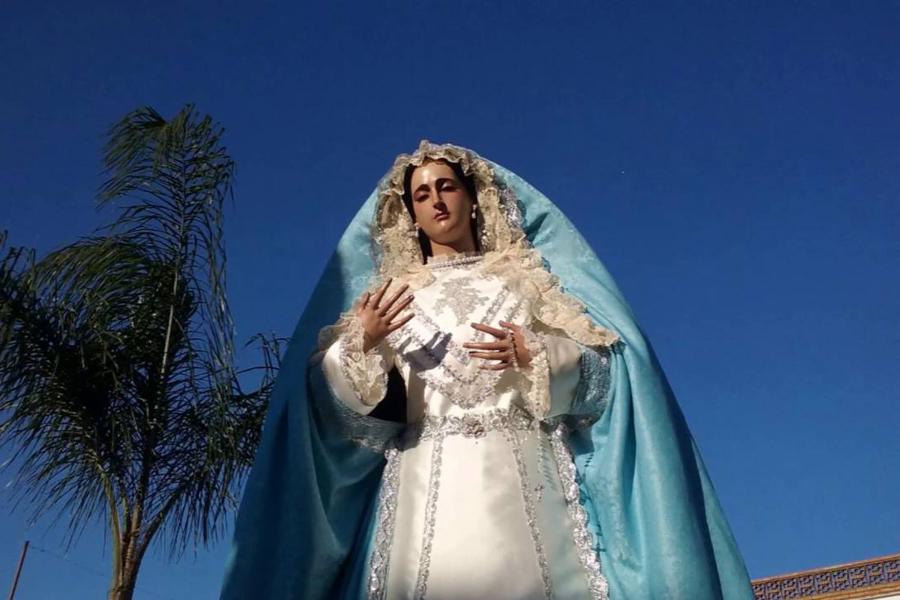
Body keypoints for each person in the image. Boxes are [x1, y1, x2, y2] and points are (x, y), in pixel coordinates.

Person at [220, 140, 754, 599]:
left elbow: (608, 381)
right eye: (421, 195)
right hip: (426, 482)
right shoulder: (392, 296)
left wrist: (540, 355)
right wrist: (362, 345)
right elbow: (338, 416)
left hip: (527, 476)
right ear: (410, 213)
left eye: (446, 187)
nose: (436, 201)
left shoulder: (526, 282)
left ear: (472, 198)